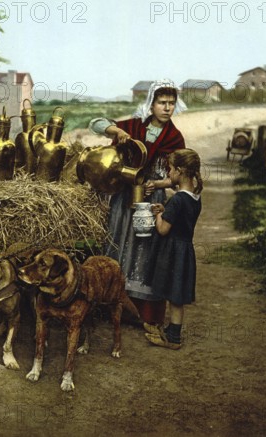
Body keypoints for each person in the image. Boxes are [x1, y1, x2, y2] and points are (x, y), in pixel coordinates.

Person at [88, 79, 187, 331]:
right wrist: (115, 132)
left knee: (145, 248)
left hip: (151, 201)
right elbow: (95, 123)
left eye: (171, 104)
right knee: (118, 241)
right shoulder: (132, 126)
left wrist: (161, 183)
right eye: (162, 103)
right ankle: (109, 304)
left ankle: (142, 312)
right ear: (151, 104)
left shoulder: (174, 138)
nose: (167, 108)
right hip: (123, 197)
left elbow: (180, 176)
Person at [145, 148, 203, 349]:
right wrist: (166, 210)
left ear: (179, 171)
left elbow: (162, 230)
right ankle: (173, 332)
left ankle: (173, 339)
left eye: (169, 169)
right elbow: (181, 219)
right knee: (176, 296)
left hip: (173, 252)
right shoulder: (195, 197)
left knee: (174, 296)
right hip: (185, 251)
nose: (168, 174)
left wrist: (158, 215)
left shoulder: (177, 199)